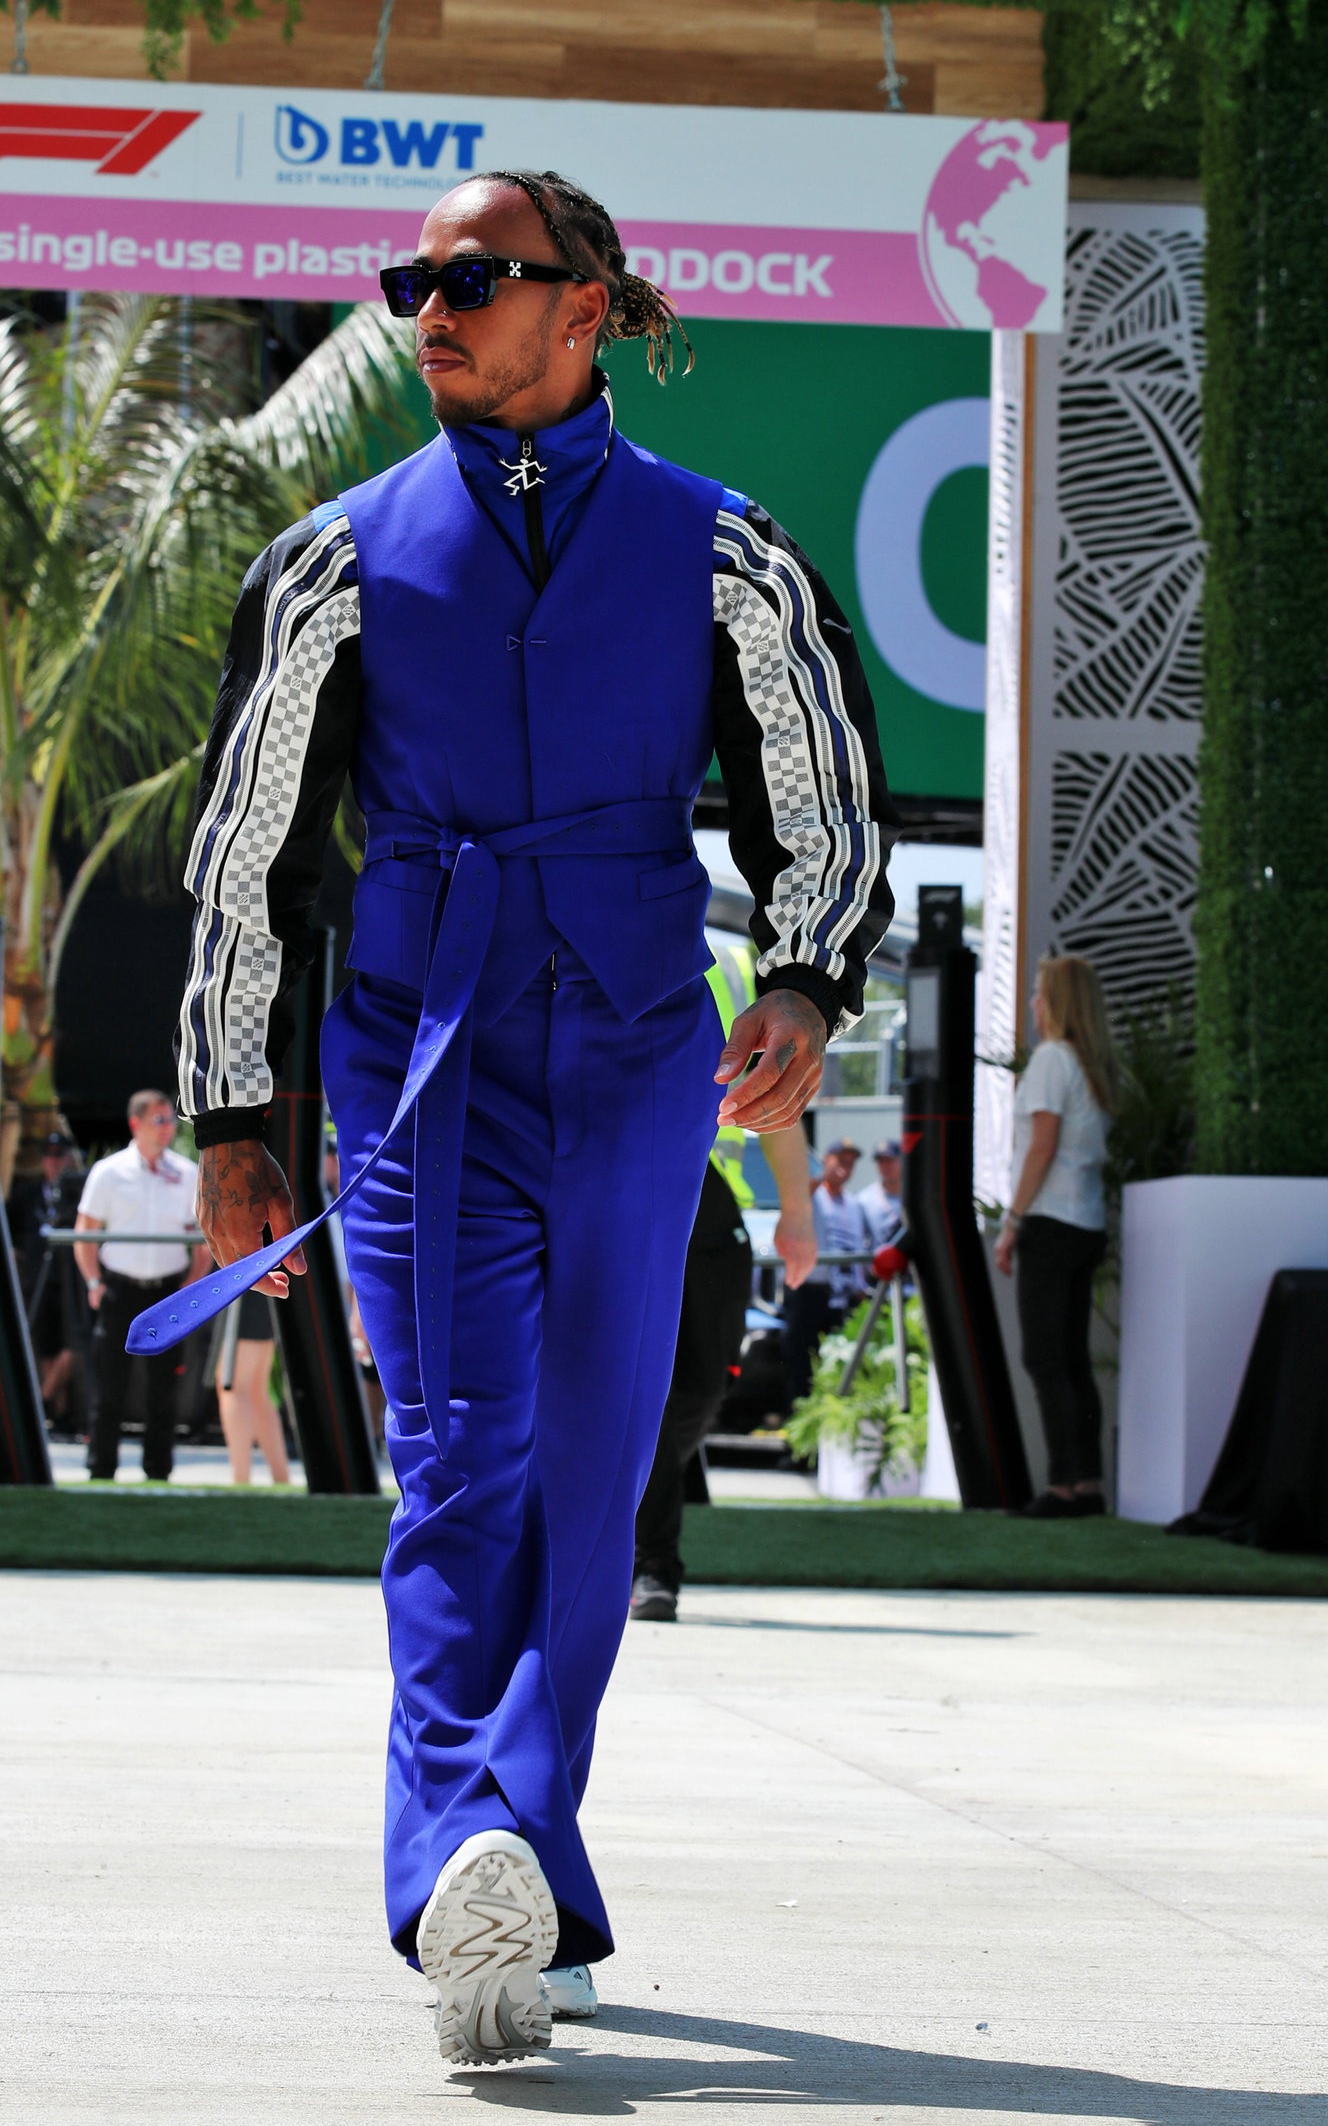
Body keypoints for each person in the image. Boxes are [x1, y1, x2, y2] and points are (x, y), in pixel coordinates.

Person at [171, 168, 894, 2064]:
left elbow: (820, 800)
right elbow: (244, 859)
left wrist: (808, 980)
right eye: (413, 277)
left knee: (591, 1476)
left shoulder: (733, 555)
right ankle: (466, 1864)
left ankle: (521, 1852)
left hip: (642, 1056)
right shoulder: (331, 559)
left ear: (584, 311)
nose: (430, 304)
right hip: (420, 1059)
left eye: (474, 277)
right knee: (462, 1460)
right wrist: (233, 1117)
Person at [630, 952, 818, 1631]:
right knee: (628, 1395)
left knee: (701, 1390)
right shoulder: (586, 926)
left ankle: (631, 1516)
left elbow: (776, 1088)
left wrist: (797, 1212)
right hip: (621, 1185)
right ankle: (652, 1567)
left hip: (713, 1208)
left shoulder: (737, 964)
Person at [995, 955, 1118, 1521]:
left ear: (1060, 1002)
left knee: (1046, 1358)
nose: (1032, 1004)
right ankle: (1087, 1484)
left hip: (1049, 1222)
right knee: (1071, 1359)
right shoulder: (1092, 1066)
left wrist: (1013, 1221)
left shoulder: (1050, 1060)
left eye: (1040, 994)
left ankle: (1065, 1488)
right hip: (1087, 1222)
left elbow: (1041, 1145)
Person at [74, 1090, 210, 1482]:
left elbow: (202, 1240)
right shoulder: (109, 1171)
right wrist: (94, 1282)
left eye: (171, 1120)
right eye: (159, 1120)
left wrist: (188, 1289)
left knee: (164, 1391)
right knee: (108, 1389)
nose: (168, 1128)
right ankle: (101, 1472)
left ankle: (158, 1475)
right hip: (119, 1290)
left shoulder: (186, 1172)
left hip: (168, 1293)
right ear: (135, 1123)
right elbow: (85, 1232)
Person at [780, 1138, 868, 1406]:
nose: (845, 1168)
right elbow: (797, 1195)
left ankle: (827, 1408)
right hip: (809, 1290)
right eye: (840, 1160)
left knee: (834, 1356)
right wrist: (821, 1177)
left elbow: (855, 1246)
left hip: (840, 1293)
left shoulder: (853, 1204)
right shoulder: (813, 1194)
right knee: (800, 1355)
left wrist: (859, 1285)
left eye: (850, 1163)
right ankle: (798, 1410)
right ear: (826, 1160)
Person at [6, 1130, 86, 1421]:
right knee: (46, 1346)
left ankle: (42, 1401)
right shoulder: (27, 1194)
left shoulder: (81, 1190)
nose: (54, 1162)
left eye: (59, 1155)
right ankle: (57, 1410)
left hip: (73, 1277)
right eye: (48, 1156)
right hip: (38, 1276)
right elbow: (9, 1228)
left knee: (73, 1345)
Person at [217, 1291, 291, 1485]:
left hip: (244, 1290)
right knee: (256, 1390)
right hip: (253, 1287)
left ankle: (241, 1479)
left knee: (234, 1387)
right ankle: (280, 1478)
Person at [858, 1137, 903, 1249]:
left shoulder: (914, 1196)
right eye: (880, 1161)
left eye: (889, 1160)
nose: (885, 1166)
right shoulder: (864, 1200)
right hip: (879, 1264)